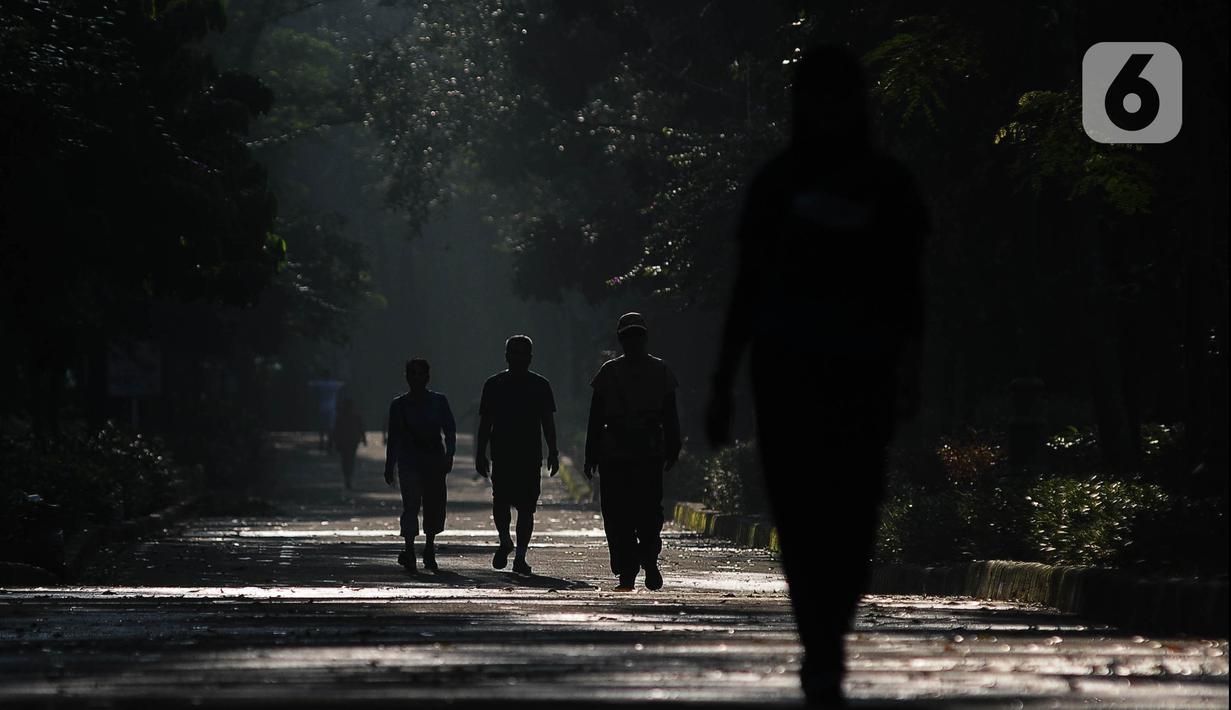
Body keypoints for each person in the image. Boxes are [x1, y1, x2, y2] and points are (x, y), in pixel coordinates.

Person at [705, 45, 928, 706]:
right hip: (785, 377)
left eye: (839, 97)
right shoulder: (775, 185)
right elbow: (743, 291)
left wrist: (913, 367)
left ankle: (830, 630)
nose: (828, 112)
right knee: (799, 516)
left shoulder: (889, 187)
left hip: (863, 376)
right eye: (815, 98)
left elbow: (910, 290)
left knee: (854, 515)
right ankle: (820, 644)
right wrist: (721, 382)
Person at [584, 312, 681, 592]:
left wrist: (591, 454)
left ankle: (631, 568)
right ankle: (645, 560)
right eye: (631, 336)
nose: (633, 341)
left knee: (620, 515)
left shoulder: (609, 372)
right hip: (644, 454)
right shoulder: (660, 371)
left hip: (618, 455)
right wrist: (673, 446)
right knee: (644, 511)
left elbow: (595, 418)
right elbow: (671, 416)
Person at [475, 335, 559, 575]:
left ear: (530, 358)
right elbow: (486, 422)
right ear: (506, 356)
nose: (519, 358)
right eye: (514, 353)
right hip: (502, 453)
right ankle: (505, 540)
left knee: (526, 507)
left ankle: (520, 554)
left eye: (523, 354)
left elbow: (547, 422)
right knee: (500, 501)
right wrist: (480, 453)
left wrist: (553, 451)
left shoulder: (540, 385)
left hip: (530, 455)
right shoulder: (494, 384)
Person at [384, 358, 457, 573]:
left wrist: (450, 454)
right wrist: (390, 465)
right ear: (407, 377)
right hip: (409, 462)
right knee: (411, 504)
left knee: (434, 506)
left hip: (434, 461)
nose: (416, 378)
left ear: (427, 377)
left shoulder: (439, 402)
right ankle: (409, 550)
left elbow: (450, 430)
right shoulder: (399, 405)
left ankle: (429, 547)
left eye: (420, 374)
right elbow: (393, 438)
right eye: (412, 374)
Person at [332, 395, 367, 490]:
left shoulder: (341, 416)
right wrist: (364, 440)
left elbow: (335, 430)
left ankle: (347, 477)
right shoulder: (356, 416)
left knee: (345, 460)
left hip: (344, 441)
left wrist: (333, 442)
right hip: (352, 441)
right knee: (350, 460)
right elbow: (361, 429)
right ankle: (348, 477)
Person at [307, 373, 345, 452]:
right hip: (331, 408)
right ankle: (329, 442)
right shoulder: (333, 384)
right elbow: (343, 384)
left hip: (322, 407)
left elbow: (310, 384)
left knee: (322, 425)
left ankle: (321, 441)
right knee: (331, 426)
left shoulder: (320, 384)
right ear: (330, 376)